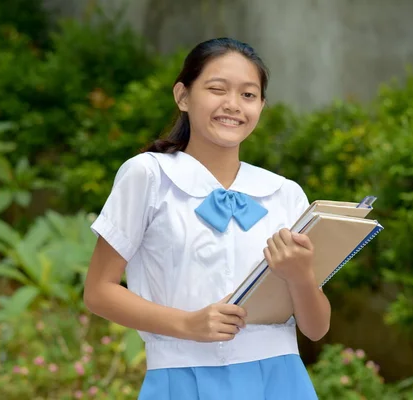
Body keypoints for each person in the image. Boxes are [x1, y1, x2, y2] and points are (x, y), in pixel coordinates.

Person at [84, 37, 331, 400]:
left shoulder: (284, 193)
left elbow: (316, 328)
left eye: (248, 95)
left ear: (262, 106)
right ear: (183, 96)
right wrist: (186, 324)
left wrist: (301, 276)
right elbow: (98, 292)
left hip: (280, 381)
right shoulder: (149, 176)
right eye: (217, 89)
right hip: (182, 380)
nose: (233, 105)